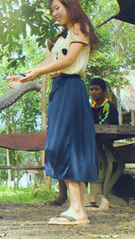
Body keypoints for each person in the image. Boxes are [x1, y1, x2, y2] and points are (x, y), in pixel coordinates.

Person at [7, 0, 99, 225]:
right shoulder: (61, 38)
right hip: (59, 89)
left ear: (69, 5)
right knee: (60, 145)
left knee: (69, 144)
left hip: (71, 88)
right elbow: (50, 62)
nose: (54, 14)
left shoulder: (80, 28)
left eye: (57, 8)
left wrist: (38, 72)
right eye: (52, 11)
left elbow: (68, 62)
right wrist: (24, 76)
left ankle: (78, 209)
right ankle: (76, 207)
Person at [46, 77, 119, 206]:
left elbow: (107, 124)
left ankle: (99, 194)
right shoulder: (89, 107)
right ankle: (67, 196)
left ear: (103, 91)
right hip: (87, 142)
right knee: (66, 157)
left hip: (104, 144)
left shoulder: (109, 106)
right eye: (91, 89)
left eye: (96, 89)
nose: (93, 92)